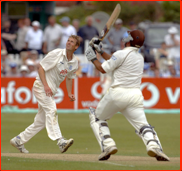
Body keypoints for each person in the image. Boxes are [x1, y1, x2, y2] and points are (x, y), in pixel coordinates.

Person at [85, 30, 170, 161]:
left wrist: (92, 58)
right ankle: (154, 146)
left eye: (127, 37)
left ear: (129, 40)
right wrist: (101, 52)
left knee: (96, 117)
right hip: (135, 96)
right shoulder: (139, 57)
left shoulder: (120, 54)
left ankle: (108, 145)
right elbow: (115, 62)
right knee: (143, 125)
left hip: (118, 93)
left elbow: (103, 69)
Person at [10, 35, 80, 154]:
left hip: (50, 90)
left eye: (72, 42)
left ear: (76, 47)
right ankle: (60, 141)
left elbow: (69, 78)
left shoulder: (74, 62)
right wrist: (46, 85)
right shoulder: (57, 53)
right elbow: (41, 68)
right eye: (68, 40)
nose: (68, 43)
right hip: (41, 86)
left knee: (41, 122)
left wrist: (69, 93)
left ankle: (18, 140)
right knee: (52, 110)